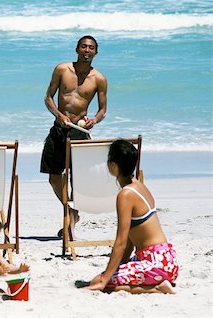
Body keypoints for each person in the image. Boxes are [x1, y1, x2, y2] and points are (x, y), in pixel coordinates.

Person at [85, 139, 178, 294]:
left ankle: (156, 288)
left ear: (113, 166)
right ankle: (157, 283)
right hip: (166, 260)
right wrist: (120, 267)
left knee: (98, 281)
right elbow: (130, 240)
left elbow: (120, 242)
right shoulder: (140, 186)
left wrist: (104, 280)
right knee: (108, 276)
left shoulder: (125, 194)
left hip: (154, 263)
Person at [40, 35, 107, 236]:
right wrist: (59, 115)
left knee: (77, 180)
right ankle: (71, 211)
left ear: (96, 52)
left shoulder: (99, 79)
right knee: (53, 177)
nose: (87, 50)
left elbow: (102, 110)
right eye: (84, 47)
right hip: (59, 128)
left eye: (91, 48)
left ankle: (71, 219)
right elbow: (48, 98)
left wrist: (93, 120)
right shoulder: (62, 69)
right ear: (77, 50)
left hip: (80, 132)